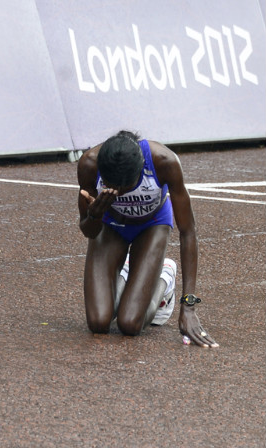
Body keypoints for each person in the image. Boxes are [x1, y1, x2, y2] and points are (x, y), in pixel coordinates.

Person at [76, 130, 217, 348]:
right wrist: (94, 214)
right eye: (112, 186)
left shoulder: (164, 161)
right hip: (110, 226)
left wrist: (188, 307)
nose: (119, 193)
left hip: (151, 226)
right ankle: (125, 273)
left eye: (125, 188)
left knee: (130, 324)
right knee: (98, 322)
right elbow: (88, 231)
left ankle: (165, 279)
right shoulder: (89, 164)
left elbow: (188, 231)